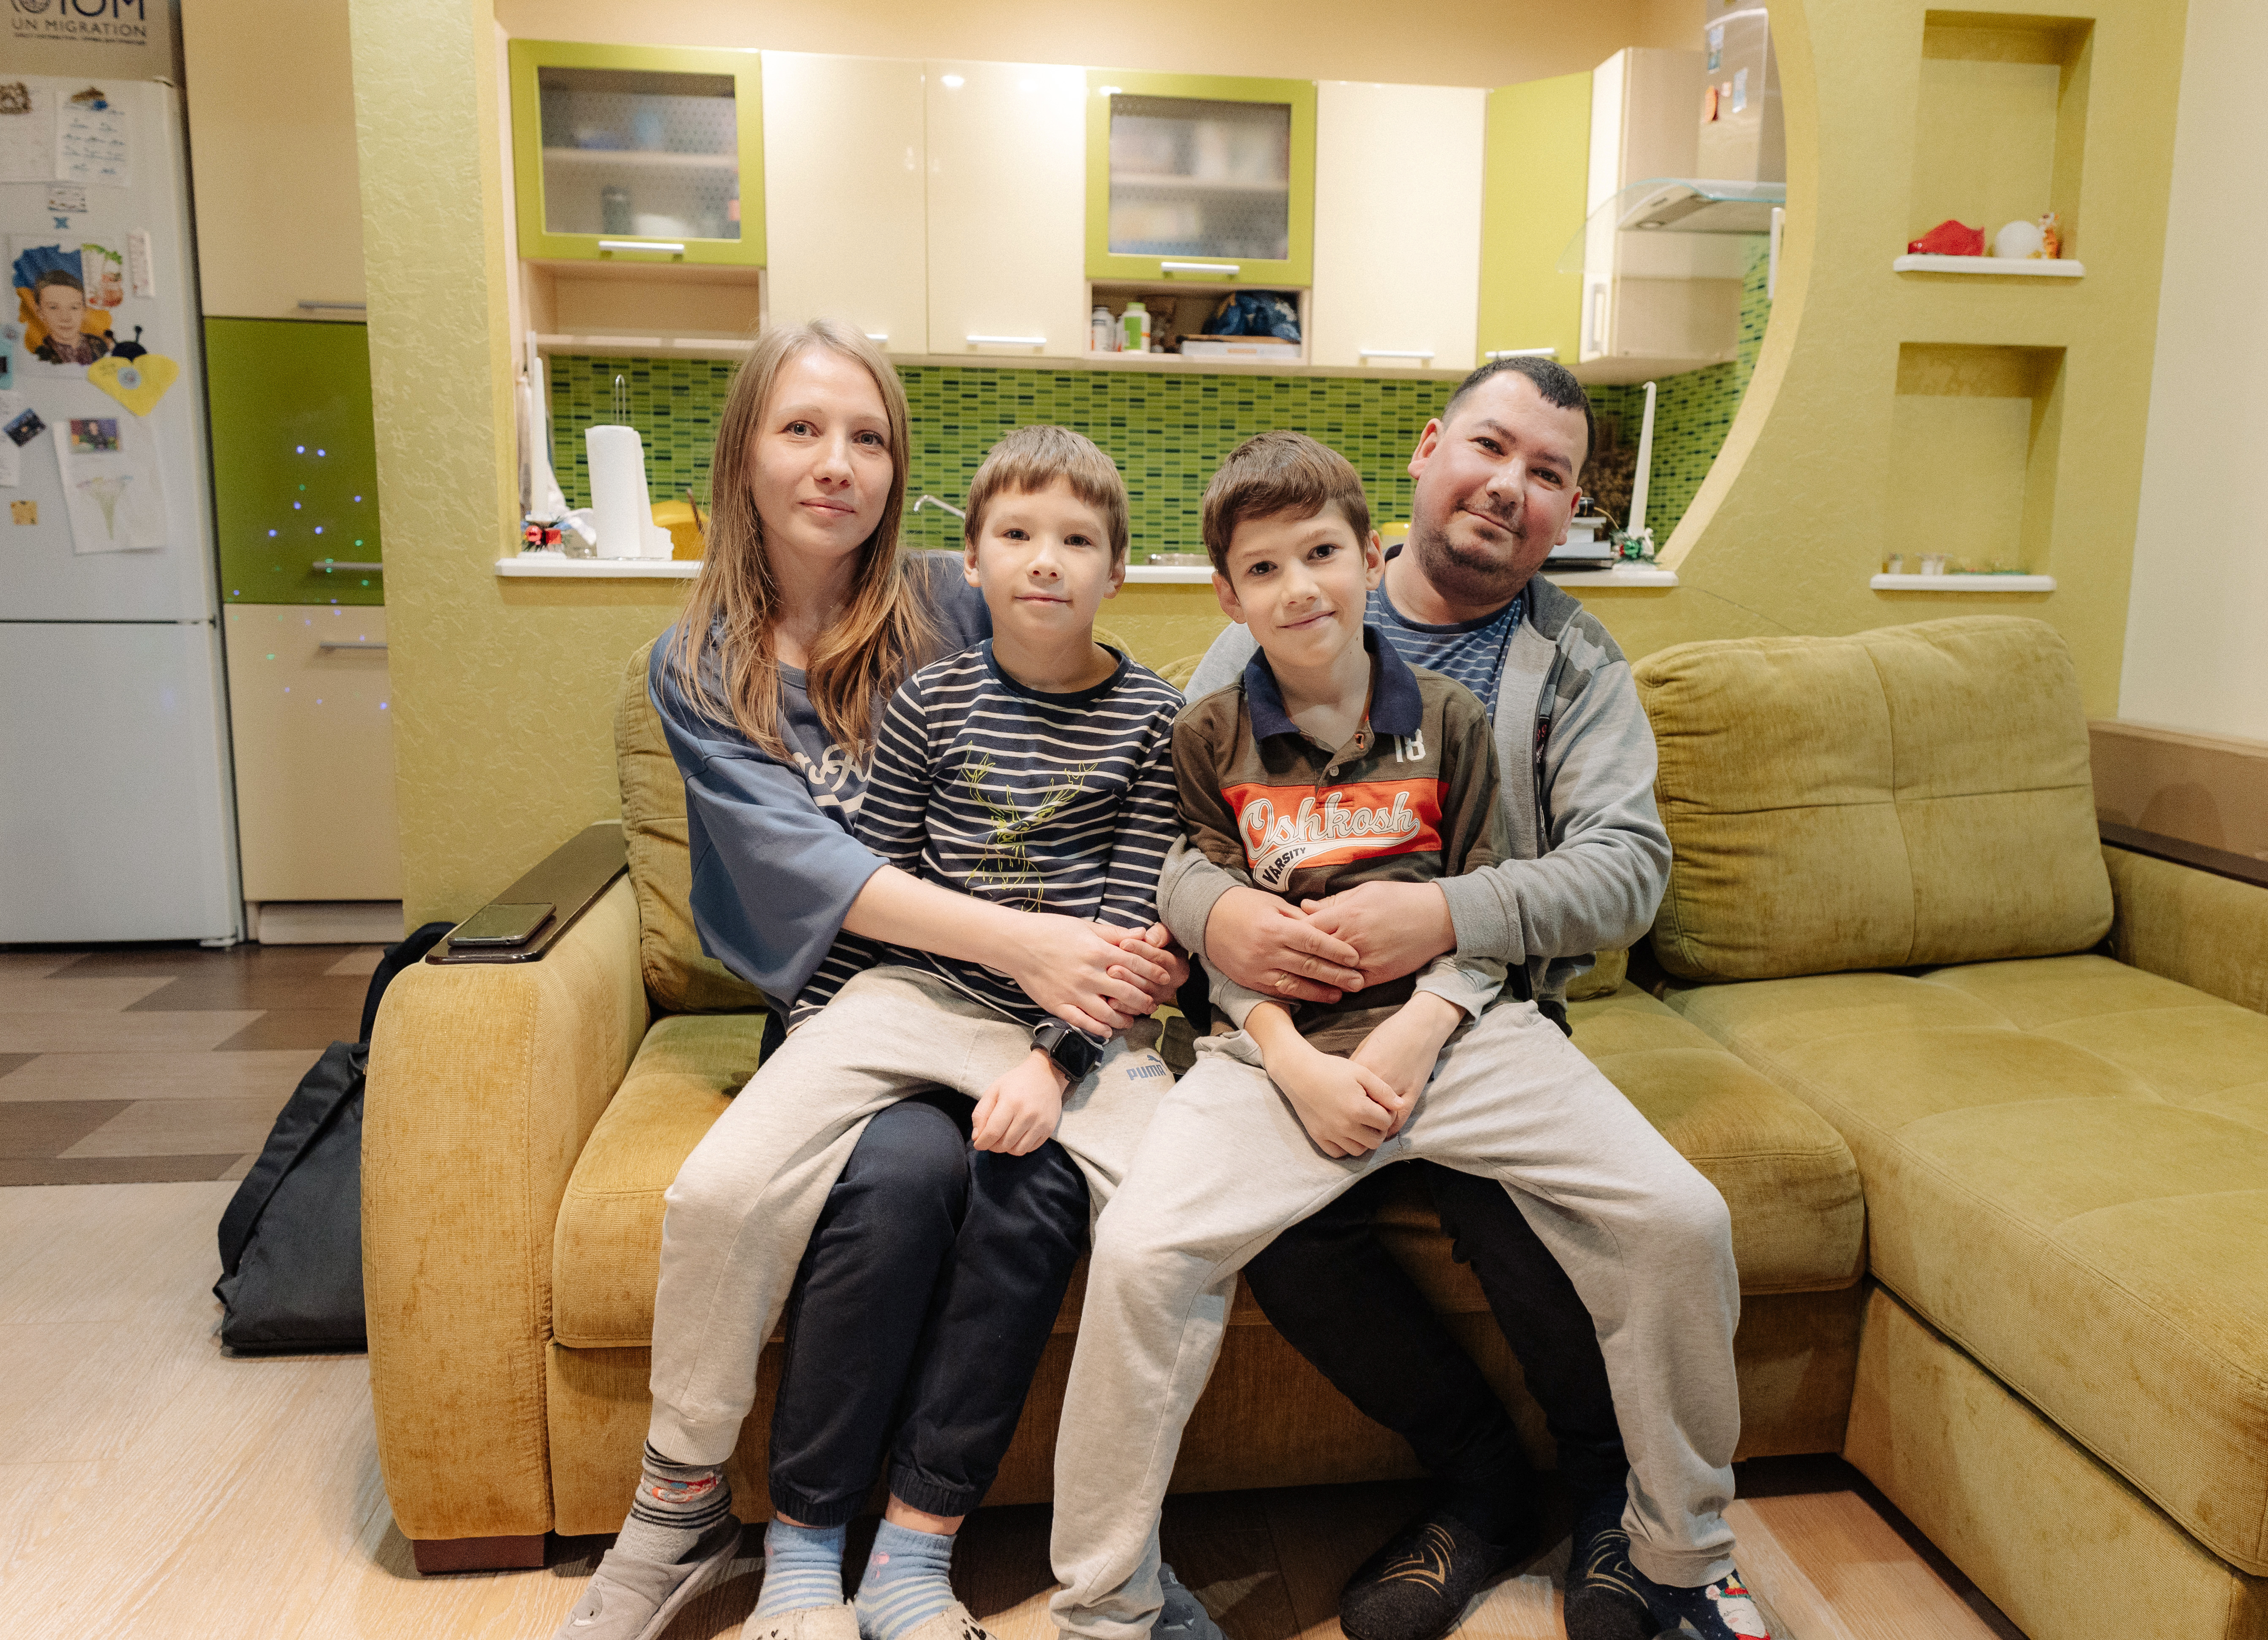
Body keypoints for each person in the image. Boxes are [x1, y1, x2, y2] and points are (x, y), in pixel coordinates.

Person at [1046, 427, 1762, 1640]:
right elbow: (1204, 921)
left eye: (1321, 553)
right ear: (1226, 594)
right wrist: (1288, 1057)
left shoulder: (1458, 713)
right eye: (1262, 570)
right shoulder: (1206, 728)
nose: (1299, 588)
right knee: (1141, 1253)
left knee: (1679, 1216)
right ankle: (1104, 1601)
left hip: (1463, 1031)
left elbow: (1497, 905)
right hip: (1272, 1056)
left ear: (1363, 552)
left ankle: (1682, 1553)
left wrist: (1418, 1028)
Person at [552, 324, 1192, 1640]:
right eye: (800, 430)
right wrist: (1036, 948)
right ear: (742, 453)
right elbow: (813, 866)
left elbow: (1126, 726)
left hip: (1030, 1020)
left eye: (869, 437)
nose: (836, 464)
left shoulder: (960, 596)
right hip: (858, 1004)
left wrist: (1148, 936)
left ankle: (945, 1553)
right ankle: (701, 1513)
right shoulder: (697, 663)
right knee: (887, 1175)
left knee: (1003, 1183)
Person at [28, 269, 112, 365]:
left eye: (74, 308)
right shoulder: (41, 354)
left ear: (84, 310)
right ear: (40, 312)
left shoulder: (99, 345)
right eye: (54, 308)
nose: (66, 318)